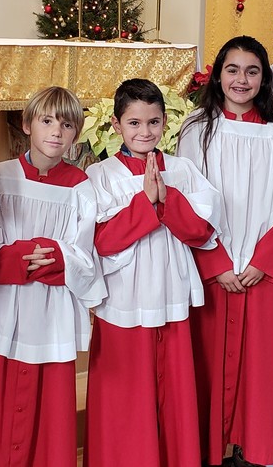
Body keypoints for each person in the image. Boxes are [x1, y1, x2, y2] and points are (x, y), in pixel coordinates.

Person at [0, 86, 106, 467]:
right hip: (1, 309)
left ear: (76, 133)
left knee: (47, 412)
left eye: (66, 125)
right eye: (47, 121)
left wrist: (54, 255)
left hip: (51, 314)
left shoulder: (81, 188)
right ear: (26, 124)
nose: (56, 131)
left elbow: (86, 257)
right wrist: (18, 256)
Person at [177, 36, 273, 467]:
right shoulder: (197, 131)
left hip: (261, 271)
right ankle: (208, 448)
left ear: (264, 79)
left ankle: (258, 447)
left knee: (260, 363)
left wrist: (261, 263)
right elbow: (185, 204)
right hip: (212, 267)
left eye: (252, 71)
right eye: (232, 70)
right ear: (218, 76)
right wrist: (216, 263)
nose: (242, 79)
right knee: (207, 358)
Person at [83, 79, 221, 467]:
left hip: (172, 295)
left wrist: (167, 200)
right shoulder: (101, 175)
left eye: (154, 122)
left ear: (165, 122)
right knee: (125, 396)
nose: (145, 132)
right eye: (134, 123)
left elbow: (203, 230)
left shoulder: (181, 169)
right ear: (116, 124)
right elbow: (101, 241)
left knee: (174, 393)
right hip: (124, 300)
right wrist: (146, 204)